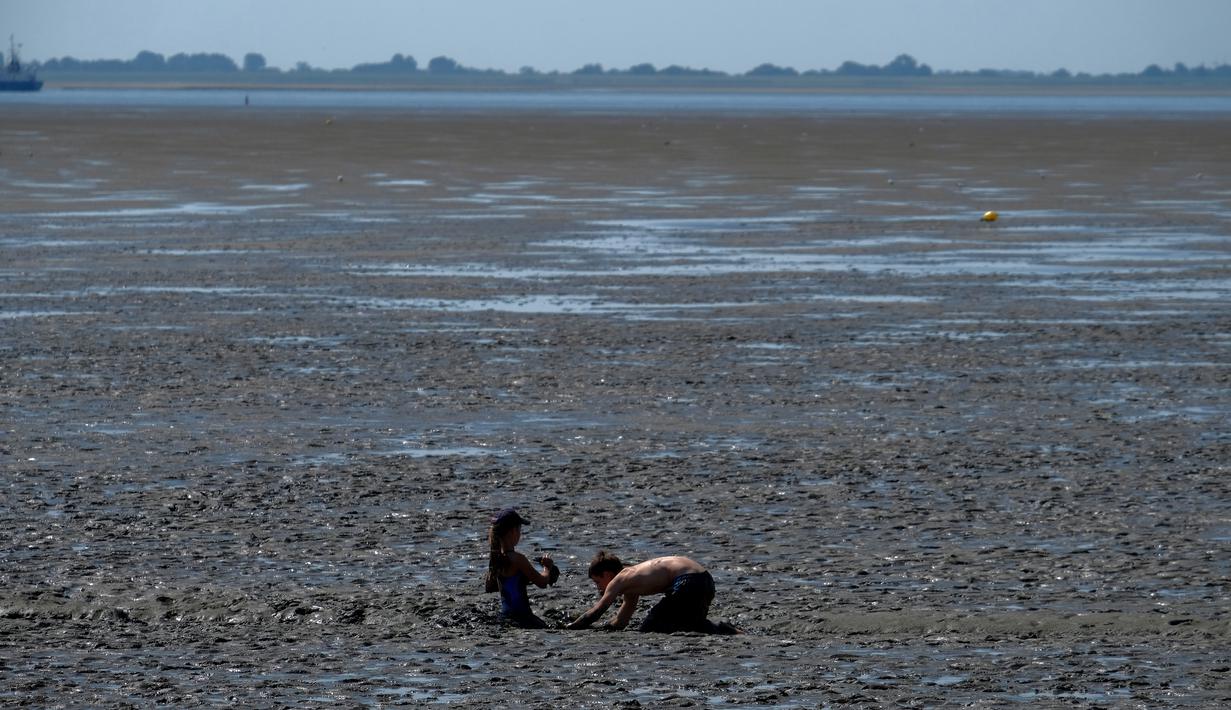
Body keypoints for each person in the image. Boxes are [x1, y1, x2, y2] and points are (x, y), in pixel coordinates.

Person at [565, 551, 739, 634]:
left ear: (607, 574)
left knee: (652, 624)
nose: (598, 588)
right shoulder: (631, 585)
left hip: (687, 581)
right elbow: (621, 620)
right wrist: (607, 628)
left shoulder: (619, 579)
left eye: (597, 582)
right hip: (705, 580)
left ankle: (723, 629)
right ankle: (728, 630)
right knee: (688, 623)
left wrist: (570, 628)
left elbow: (597, 611)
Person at [484, 508, 559, 628]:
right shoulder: (518, 559)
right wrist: (547, 568)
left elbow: (490, 587)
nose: (520, 534)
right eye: (519, 530)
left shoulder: (495, 559)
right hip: (523, 618)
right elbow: (542, 582)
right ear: (513, 532)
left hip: (505, 618)